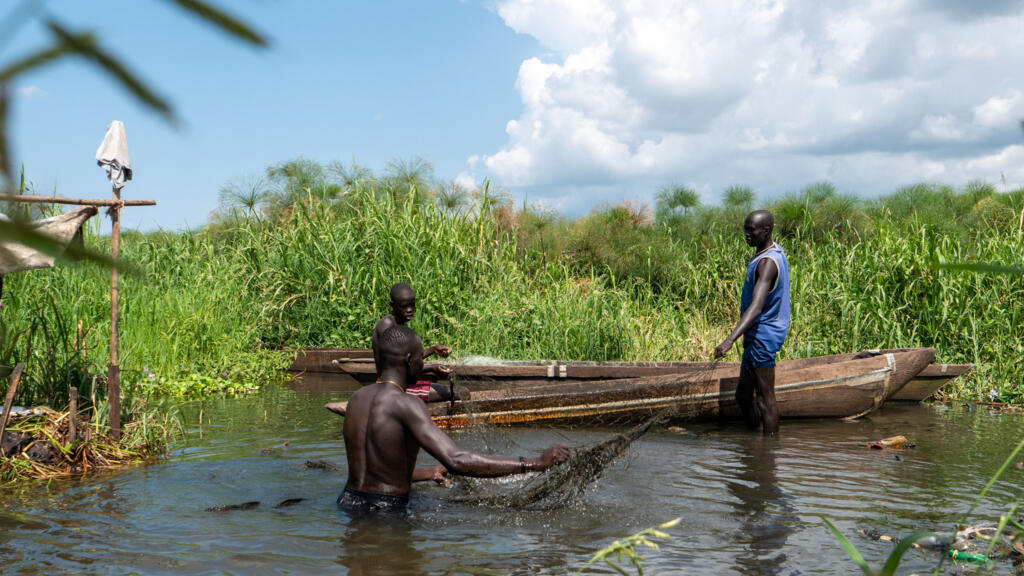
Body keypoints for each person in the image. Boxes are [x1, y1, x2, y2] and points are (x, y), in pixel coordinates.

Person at [340, 324, 569, 515]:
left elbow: (378, 470)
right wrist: (534, 463)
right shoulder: (407, 404)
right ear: (409, 360)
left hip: (348, 505)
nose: (422, 365)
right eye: (421, 358)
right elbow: (456, 460)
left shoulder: (357, 399)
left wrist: (428, 472)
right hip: (387, 514)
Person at [713, 210, 790, 435]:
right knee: (743, 397)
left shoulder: (767, 262)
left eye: (751, 230)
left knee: (766, 399)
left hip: (763, 336)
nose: (746, 234)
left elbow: (756, 307)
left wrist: (729, 341)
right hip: (756, 334)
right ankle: (752, 443)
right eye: (745, 229)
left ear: (766, 230)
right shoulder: (769, 251)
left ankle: (768, 454)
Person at [372, 282, 453, 403]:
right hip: (393, 388)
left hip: (401, 383)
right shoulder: (387, 326)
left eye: (412, 305)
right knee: (457, 393)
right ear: (392, 305)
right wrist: (432, 368)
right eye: (404, 306)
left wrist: (433, 350)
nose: (409, 310)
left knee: (456, 391)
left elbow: (407, 359)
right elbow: (397, 366)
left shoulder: (400, 322)